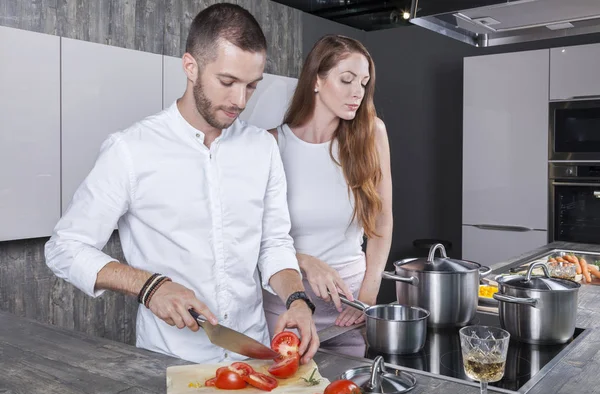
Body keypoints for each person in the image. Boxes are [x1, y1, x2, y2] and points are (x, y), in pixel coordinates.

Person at [44, 3, 319, 365]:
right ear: (191, 66)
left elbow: (274, 244)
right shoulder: (130, 150)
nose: (239, 101)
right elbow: (64, 248)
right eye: (227, 81)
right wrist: (148, 286)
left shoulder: (262, 148)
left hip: (253, 356)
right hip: (169, 360)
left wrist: (297, 300)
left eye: (251, 86)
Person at [262, 35, 393, 356]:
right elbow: (253, 237)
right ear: (316, 81)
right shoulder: (271, 145)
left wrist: (367, 298)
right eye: (346, 80)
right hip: (285, 308)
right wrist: (305, 262)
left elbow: (382, 222)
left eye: (363, 83)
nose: (357, 93)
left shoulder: (372, 134)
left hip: (350, 308)